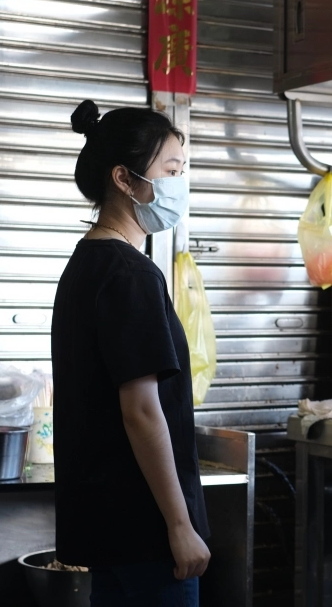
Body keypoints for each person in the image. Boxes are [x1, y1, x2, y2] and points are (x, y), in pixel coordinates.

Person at [52, 100, 210, 606]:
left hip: (107, 527)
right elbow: (142, 411)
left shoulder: (85, 265)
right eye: (170, 170)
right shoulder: (131, 274)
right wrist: (180, 524)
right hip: (148, 533)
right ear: (124, 178)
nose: (178, 184)